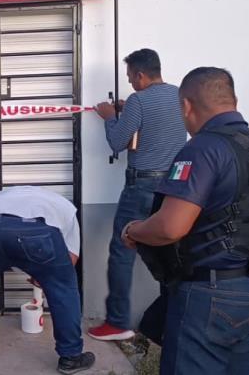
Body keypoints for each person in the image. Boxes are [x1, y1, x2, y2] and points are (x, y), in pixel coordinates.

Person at [122, 67, 249, 374]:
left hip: (214, 295)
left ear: (186, 105)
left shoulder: (203, 148)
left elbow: (171, 227)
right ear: (233, 99)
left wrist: (134, 230)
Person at [89, 48, 187, 341]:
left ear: (141, 75)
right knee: (171, 253)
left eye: (131, 77)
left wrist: (109, 116)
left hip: (142, 186)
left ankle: (117, 323)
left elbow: (118, 142)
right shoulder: (180, 95)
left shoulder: (138, 100)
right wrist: (130, 109)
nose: (130, 83)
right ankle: (174, 320)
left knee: (122, 250)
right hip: (174, 186)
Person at [0, 186, 95, 374]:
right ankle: (71, 356)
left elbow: (3, 234)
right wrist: (46, 277)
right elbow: (71, 258)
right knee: (63, 289)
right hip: (34, 231)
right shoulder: (66, 208)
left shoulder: (0, 197)